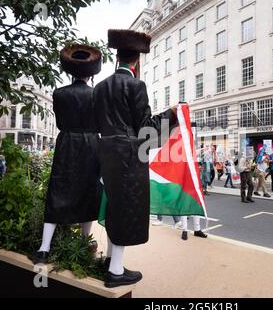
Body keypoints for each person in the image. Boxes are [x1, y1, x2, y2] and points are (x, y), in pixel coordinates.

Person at [94, 30, 178, 287]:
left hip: (106, 153)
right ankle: (116, 271)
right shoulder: (136, 85)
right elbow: (146, 130)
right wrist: (172, 114)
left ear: (117, 58)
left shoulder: (100, 87)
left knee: (113, 206)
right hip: (129, 156)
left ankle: (111, 260)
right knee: (124, 209)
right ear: (136, 62)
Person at [31, 44, 103, 264]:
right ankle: (84, 243)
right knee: (89, 192)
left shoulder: (59, 93)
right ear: (91, 73)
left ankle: (44, 248)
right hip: (91, 144)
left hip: (67, 144)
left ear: (70, 72)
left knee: (58, 190)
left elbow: (61, 122)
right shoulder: (97, 95)